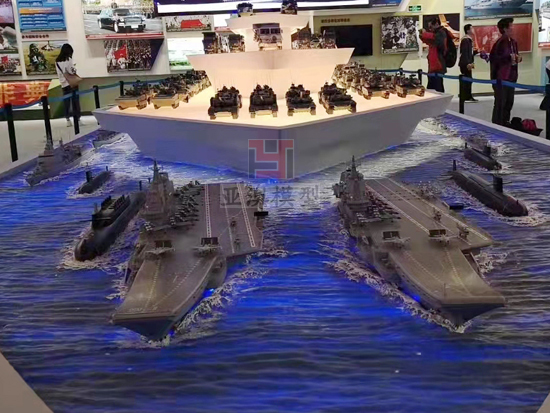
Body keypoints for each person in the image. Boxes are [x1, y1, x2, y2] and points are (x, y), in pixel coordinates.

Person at [490, 18, 521, 126]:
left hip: (511, 75)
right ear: (505, 28)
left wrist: (518, 58)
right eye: (511, 26)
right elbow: (495, 59)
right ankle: (498, 123)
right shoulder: (500, 42)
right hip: (502, 77)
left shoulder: (513, 42)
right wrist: (508, 58)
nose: (513, 28)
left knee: (509, 101)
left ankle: (505, 121)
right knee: (501, 102)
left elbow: (516, 55)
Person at [55, 43, 81, 127]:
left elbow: (60, 73)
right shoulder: (68, 59)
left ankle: (67, 119)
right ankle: (77, 119)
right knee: (75, 102)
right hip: (71, 83)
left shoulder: (57, 61)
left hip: (63, 84)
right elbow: (71, 71)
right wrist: (74, 69)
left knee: (66, 103)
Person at [420, 17, 448, 93]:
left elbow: (436, 39)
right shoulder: (436, 34)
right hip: (433, 66)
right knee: (431, 90)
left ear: (436, 24)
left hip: (438, 66)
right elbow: (428, 40)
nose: (430, 29)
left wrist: (425, 34)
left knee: (438, 89)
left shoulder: (441, 33)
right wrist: (421, 35)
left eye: (431, 27)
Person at [459, 24, 479, 102]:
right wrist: (468, 63)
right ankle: (466, 96)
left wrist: (475, 52)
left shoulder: (469, 40)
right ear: (467, 30)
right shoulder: (465, 40)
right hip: (465, 64)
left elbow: (469, 52)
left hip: (467, 62)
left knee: (469, 80)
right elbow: (464, 52)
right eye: (471, 28)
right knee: (467, 80)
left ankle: (467, 95)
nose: (473, 30)